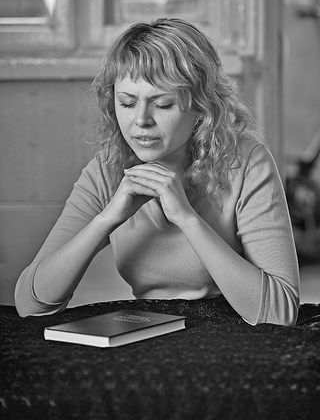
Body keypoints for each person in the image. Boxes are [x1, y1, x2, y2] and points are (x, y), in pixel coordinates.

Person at [14, 18, 300, 325]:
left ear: (202, 109)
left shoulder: (247, 162)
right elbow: (30, 304)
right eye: (127, 102)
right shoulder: (106, 169)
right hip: (152, 337)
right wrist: (107, 219)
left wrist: (186, 218)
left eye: (162, 104)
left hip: (236, 336)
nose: (141, 120)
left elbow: (280, 314)